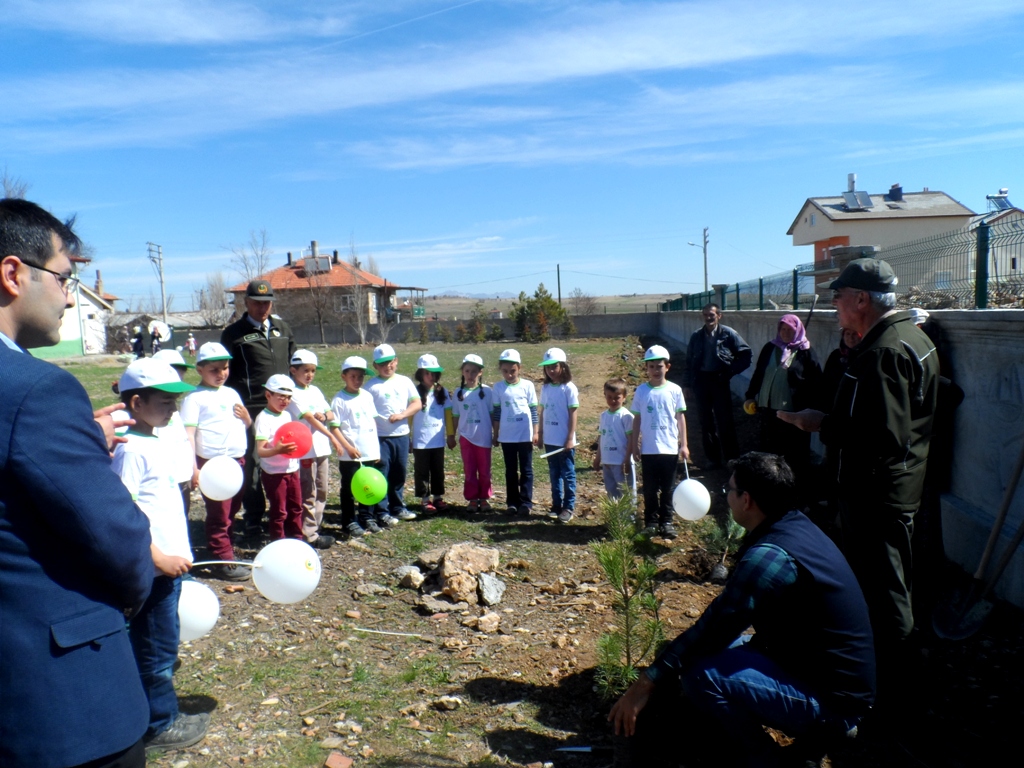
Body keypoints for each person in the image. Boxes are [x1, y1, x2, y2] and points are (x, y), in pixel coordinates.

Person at [0, 198, 154, 768]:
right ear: (14, 274)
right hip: (56, 706)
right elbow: (116, 538)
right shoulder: (36, 391)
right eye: (65, 278)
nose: (70, 296)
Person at [609, 452, 876, 768]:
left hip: (834, 704)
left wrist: (646, 683)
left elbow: (715, 627)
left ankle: (768, 761)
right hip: (818, 674)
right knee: (705, 654)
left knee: (702, 675)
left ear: (746, 500)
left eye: (729, 490)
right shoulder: (794, 526)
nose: (726, 496)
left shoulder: (771, 557)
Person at [778, 258, 939, 681]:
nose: (834, 304)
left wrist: (820, 423)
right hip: (892, 489)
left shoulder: (882, 353)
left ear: (862, 299)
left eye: (839, 296)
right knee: (887, 582)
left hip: (875, 495)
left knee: (883, 590)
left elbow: (884, 438)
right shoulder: (912, 338)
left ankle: (893, 686)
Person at [111, 359, 209, 752]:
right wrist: (157, 559)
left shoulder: (155, 440)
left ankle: (155, 710)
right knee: (156, 649)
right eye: (165, 402)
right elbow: (122, 513)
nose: (173, 409)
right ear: (136, 402)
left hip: (168, 567)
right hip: (153, 571)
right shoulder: (130, 450)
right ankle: (158, 724)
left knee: (162, 643)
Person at [220, 279, 296, 537]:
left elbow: (292, 363)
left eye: (267, 302)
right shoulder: (233, 333)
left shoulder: (283, 328)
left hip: (282, 405)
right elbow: (225, 373)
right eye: (256, 302)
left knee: (285, 458)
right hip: (251, 406)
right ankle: (254, 517)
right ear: (246, 302)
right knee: (253, 462)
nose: (262, 307)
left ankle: (284, 514)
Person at [180, 341, 251, 581]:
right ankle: (221, 559)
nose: (221, 374)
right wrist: (194, 467)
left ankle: (228, 547)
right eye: (214, 370)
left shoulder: (232, 393)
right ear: (199, 369)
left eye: (225, 368)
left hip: (236, 461)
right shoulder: (195, 398)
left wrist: (248, 418)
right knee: (219, 512)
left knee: (233, 508)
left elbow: (246, 424)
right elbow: (188, 434)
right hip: (213, 465)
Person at [743, 314, 821, 485]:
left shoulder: (805, 352)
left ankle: (795, 493)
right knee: (769, 453)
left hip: (794, 415)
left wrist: (813, 412)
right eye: (783, 329)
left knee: (794, 456)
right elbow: (759, 374)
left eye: (790, 330)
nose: (785, 333)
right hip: (769, 412)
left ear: (798, 331)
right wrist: (750, 396)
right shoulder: (770, 348)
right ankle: (771, 488)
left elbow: (816, 383)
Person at [629, 345, 689, 540]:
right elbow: (636, 419)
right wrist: (634, 444)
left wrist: (684, 444)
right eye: (651, 366)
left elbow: (680, 418)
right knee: (649, 489)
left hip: (669, 449)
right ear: (646, 368)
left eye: (659, 366)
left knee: (668, 488)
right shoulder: (641, 391)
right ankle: (651, 522)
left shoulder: (675, 390)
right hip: (648, 450)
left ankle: (667, 522)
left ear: (667, 367)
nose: (656, 370)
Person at [288, 349, 345, 550]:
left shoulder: (315, 391)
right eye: (305, 370)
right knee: (308, 491)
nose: (310, 375)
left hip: (321, 448)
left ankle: (314, 528)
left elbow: (329, 413)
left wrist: (325, 416)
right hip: (305, 450)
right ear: (293, 370)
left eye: (313, 370)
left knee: (322, 489)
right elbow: (307, 416)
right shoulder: (292, 393)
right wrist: (321, 421)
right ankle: (307, 533)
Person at [686, 303, 751, 468]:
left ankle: (732, 459)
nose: (709, 318)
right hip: (701, 382)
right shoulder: (696, 336)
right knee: (705, 422)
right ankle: (712, 459)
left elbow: (746, 355)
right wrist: (687, 385)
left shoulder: (728, 334)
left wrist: (729, 372)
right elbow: (689, 362)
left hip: (720, 381)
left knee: (725, 421)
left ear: (719, 316)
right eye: (706, 315)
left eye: (712, 315)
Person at [363, 343, 422, 524]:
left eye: (390, 362)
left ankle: (398, 506)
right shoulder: (370, 386)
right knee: (382, 473)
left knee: (399, 472)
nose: (387, 366)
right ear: (375, 366)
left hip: (402, 435)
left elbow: (417, 404)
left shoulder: (404, 381)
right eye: (382, 364)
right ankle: (382, 510)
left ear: (396, 361)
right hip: (380, 437)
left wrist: (402, 415)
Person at [329, 356, 382, 536]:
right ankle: (349, 521)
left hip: (368, 451)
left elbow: (372, 423)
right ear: (344, 376)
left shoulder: (367, 396)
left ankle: (367, 517)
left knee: (368, 486)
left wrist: (376, 449)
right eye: (353, 376)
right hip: (350, 455)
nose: (357, 380)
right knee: (350, 489)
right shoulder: (339, 400)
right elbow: (335, 429)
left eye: (360, 377)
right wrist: (348, 447)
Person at [253, 374, 304, 541]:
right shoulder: (263, 419)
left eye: (289, 397)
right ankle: (278, 542)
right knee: (279, 511)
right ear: (268, 395)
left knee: (296, 507)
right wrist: (277, 450)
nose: (285, 401)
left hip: (292, 469)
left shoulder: (287, 416)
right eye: (281, 396)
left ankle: (296, 539)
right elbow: (260, 451)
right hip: (274, 473)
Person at [491, 348, 539, 515]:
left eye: (513, 371)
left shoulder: (527, 386)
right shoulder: (497, 388)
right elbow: (497, 413)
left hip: (525, 435)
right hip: (507, 436)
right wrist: (495, 434)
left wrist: (536, 432)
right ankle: (512, 502)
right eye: (505, 371)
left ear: (519, 368)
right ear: (501, 370)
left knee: (526, 469)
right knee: (510, 470)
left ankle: (526, 502)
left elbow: (533, 410)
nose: (509, 374)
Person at [153, 348, 198, 515]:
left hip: (181, 478)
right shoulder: (150, 415)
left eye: (180, 378)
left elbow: (184, 442)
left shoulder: (175, 413)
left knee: (181, 516)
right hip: (161, 481)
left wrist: (192, 469)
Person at [538, 347, 579, 523]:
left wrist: (570, 438)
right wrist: (540, 433)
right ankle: (556, 505)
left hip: (564, 441)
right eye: (548, 367)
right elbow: (542, 411)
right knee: (554, 474)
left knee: (567, 474)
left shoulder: (569, 388)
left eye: (554, 366)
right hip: (550, 440)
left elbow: (573, 414)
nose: (551, 371)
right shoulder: (546, 388)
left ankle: (568, 507)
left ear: (563, 366)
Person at [411, 353, 455, 514]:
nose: (431, 376)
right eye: (427, 373)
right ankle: (424, 500)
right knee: (422, 471)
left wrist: (450, 435)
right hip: (420, 442)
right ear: (420, 374)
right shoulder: (414, 393)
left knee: (438, 470)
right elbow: (409, 416)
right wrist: (408, 438)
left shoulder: (442, 392)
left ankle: (437, 497)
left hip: (437, 441)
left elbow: (448, 414)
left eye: (434, 373)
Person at [453, 354, 495, 512]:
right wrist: (452, 436)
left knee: (484, 470)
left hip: (483, 438)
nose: (470, 375)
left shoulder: (487, 392)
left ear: (480, 372)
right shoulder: (458, 393)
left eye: (474, 371)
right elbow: (455, 416)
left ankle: (484, 498)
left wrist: (495, 433)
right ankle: (472, 498)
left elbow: (491, 414)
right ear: (463, 372)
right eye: (467, 371)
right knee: (469, 470)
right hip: (466, 438)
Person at [594, 377, 636, 503]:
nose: (613, 400)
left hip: (621, 462)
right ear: (605, 395)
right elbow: (602, 437)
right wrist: (598, 458)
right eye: (609, 397)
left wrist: (627, 459)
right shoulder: (604, 416)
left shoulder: (626, 416)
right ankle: (615, 519)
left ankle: (629, 519)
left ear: (624, 397)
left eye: (617, 397)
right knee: (611, 491)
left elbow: (631, 439)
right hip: (608, 461)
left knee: (626, 493)